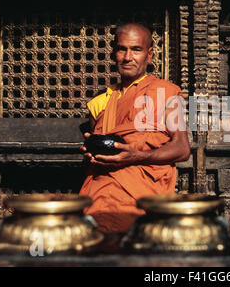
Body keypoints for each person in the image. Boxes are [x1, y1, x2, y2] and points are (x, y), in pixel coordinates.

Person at [79, 23, 190, 233]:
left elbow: (182, 149)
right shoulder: (100, 103)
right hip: (100, 194)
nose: (128, 57)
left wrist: (136, 156)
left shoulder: (165, 93)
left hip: (143, 198)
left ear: (149, 55)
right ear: (114, 53)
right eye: (122, 49)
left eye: (136, 49)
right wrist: (90, 153)